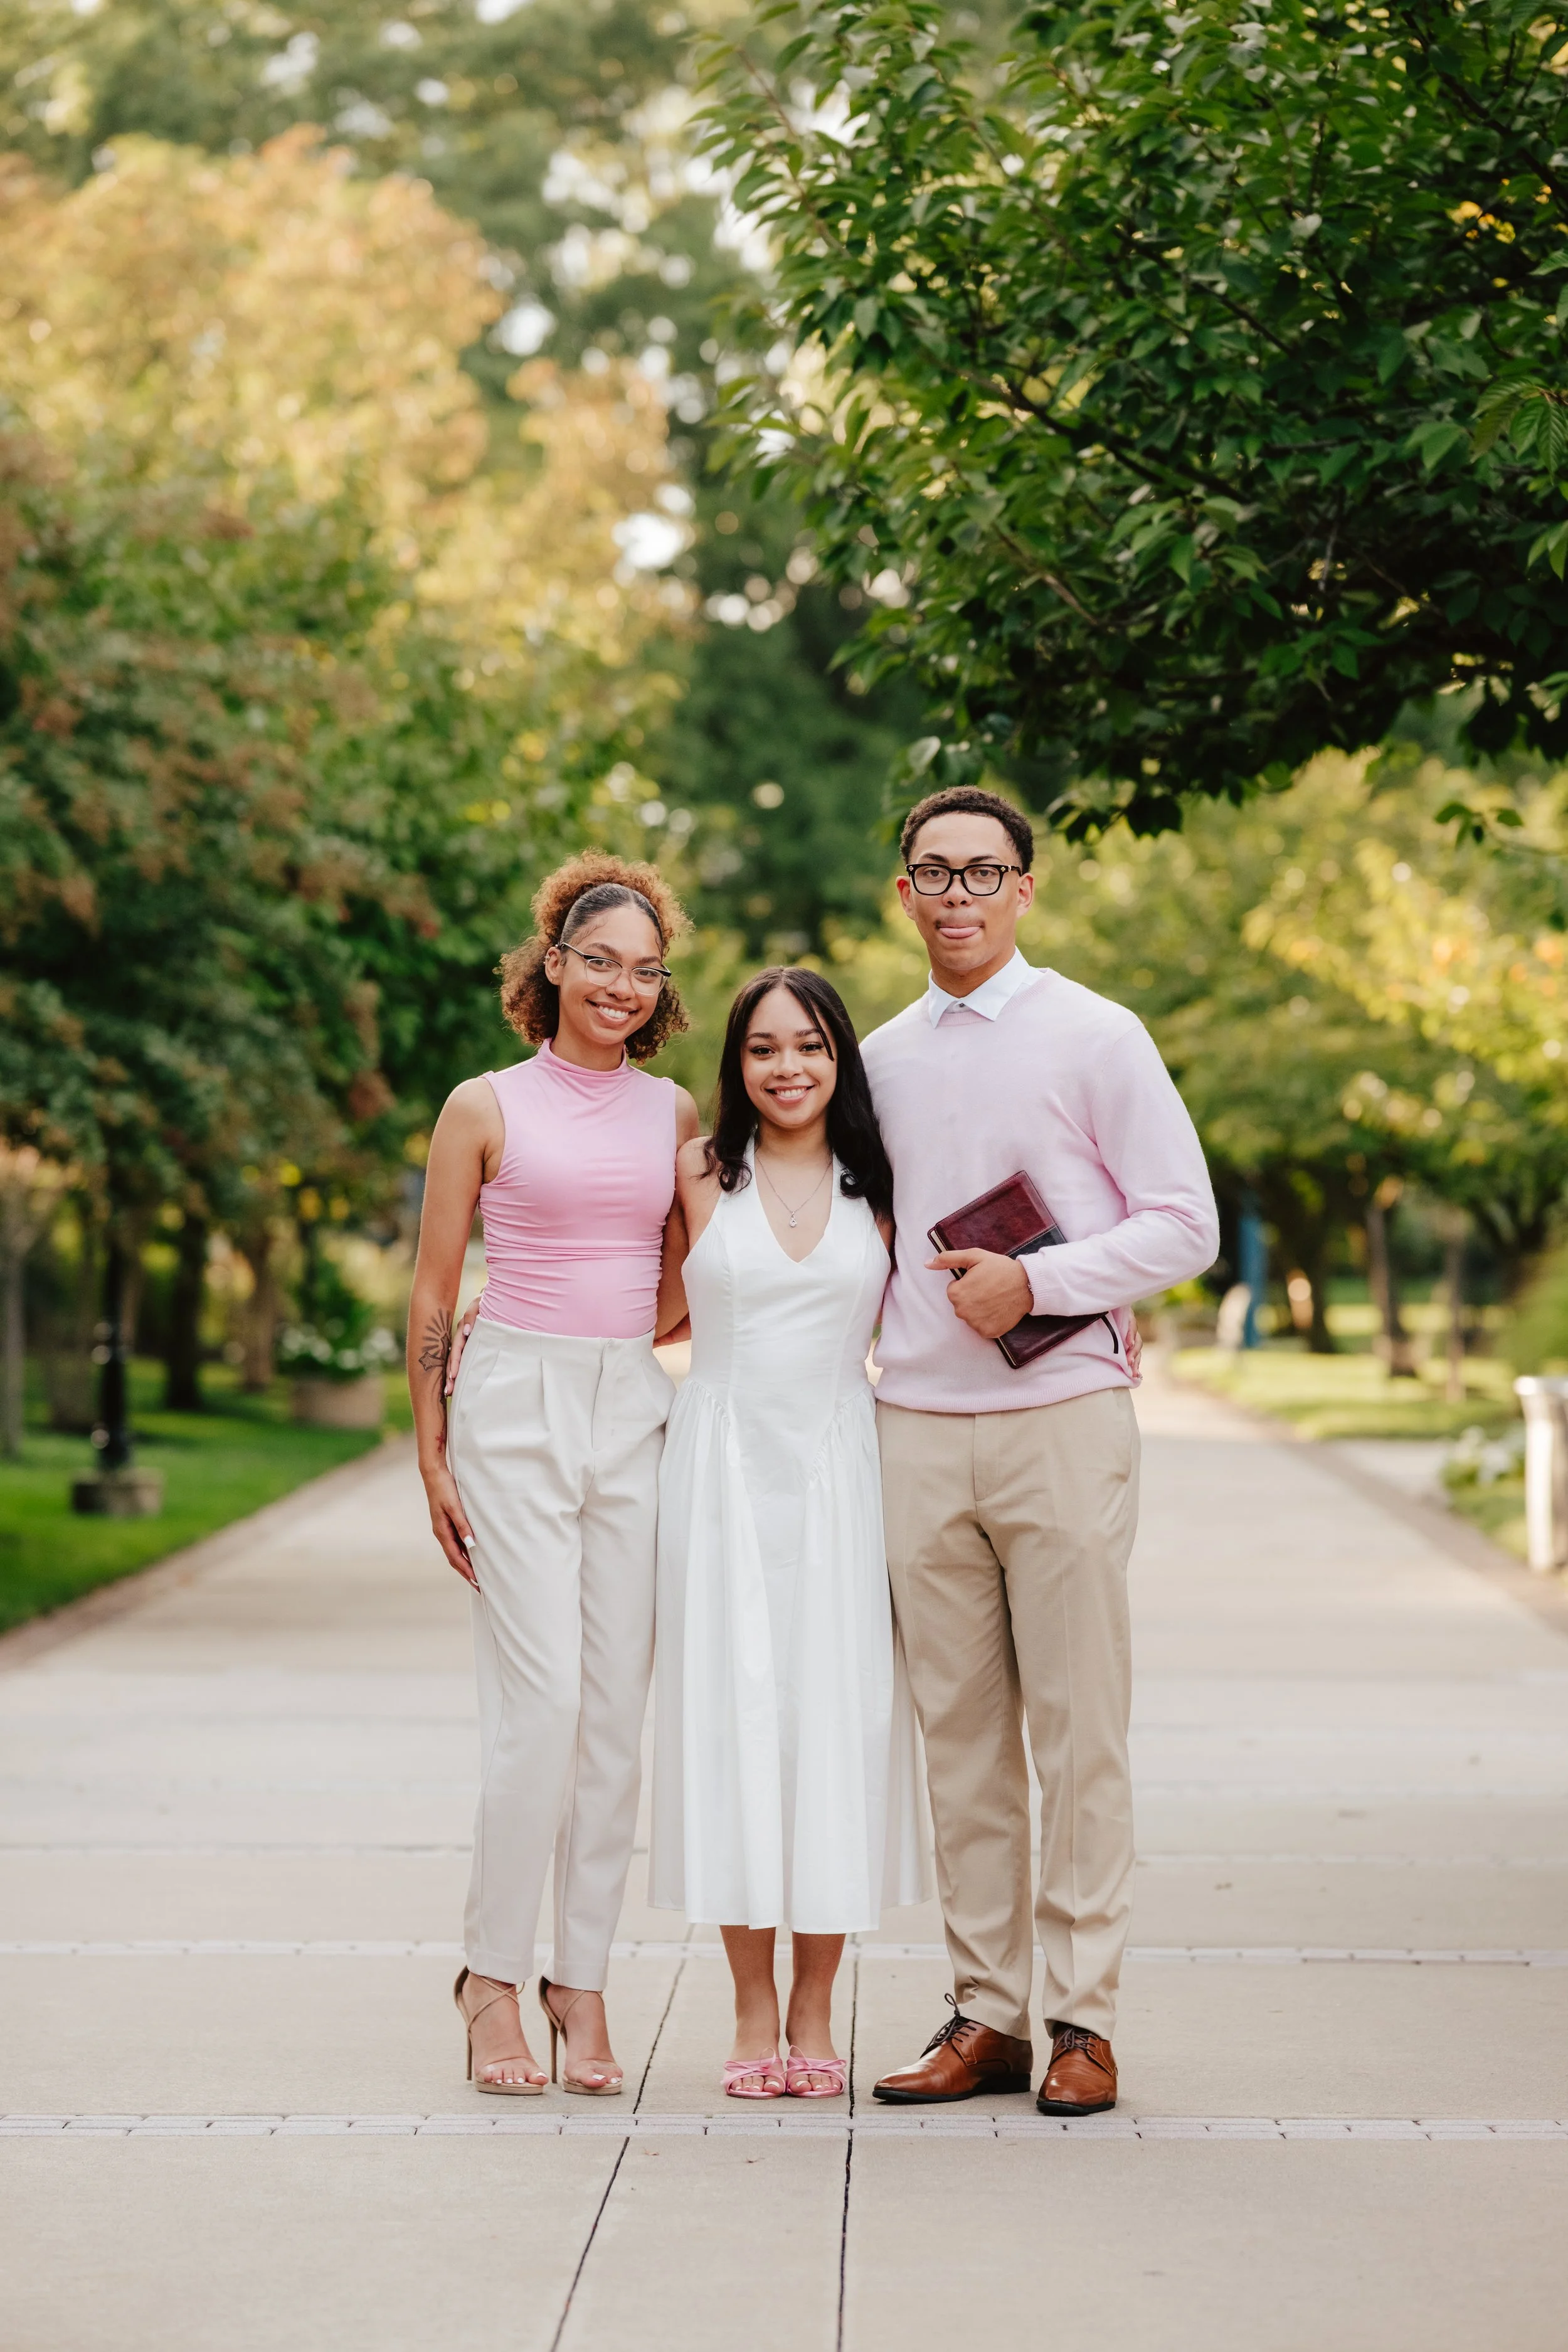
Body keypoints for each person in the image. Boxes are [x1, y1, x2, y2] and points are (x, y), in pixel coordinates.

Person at [862, 786, 1218, 2115]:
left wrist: (1043, 1282)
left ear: (1025, 887)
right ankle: (984, 2014)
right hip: (913, 1430)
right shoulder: (878, 1055)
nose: (955, 893)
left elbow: (1186, 1226)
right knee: (957, 1741)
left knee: (1077, 1734)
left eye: (981, 871)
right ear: (900, 894)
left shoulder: (1094, 1034)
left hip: (1059, 1420)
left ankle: (1081, 2018)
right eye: (930, 872)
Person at [408, 852, 699, 2095]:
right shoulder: (483, 1105)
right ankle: (487, 1977)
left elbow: (690, 1272)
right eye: (599, 962)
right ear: (553, 965)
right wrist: (431, 1448)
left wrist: (630, 1336)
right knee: (542, 1712)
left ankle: (578, 1981)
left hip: (628, 1405)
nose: (620, 986)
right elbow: (430, 1291)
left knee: (617, 1728)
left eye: (643, 969)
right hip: (513, 1405)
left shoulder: (675, 1115)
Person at [650, 968, 927, 2099]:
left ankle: (817, 2006)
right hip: (716, 1473)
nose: (786, 1067)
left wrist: (1111, 1322)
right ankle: (751, 2005)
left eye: (808, 1045)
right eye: (763, 1048)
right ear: (738, 1064)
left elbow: (941, 1311)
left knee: (834, 1726)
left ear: (839, 1056)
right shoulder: (698, 1171)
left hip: (839, 1469)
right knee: (732, 1725)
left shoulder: (885, 1184)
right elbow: (643, 1300)